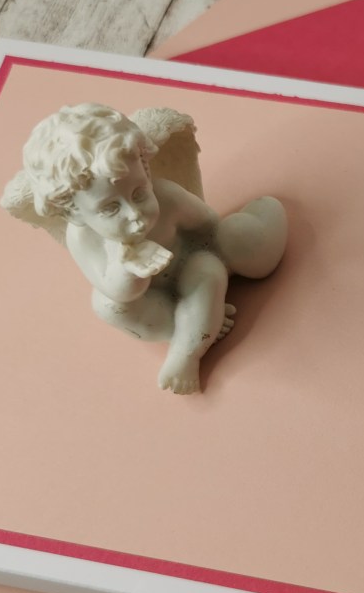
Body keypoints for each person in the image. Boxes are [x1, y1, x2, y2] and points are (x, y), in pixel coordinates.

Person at [21, 103, 287, 394]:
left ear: (146, 171)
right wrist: (129, 268)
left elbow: (209, 226)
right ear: (74, 213)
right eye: (110, 209)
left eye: (139, 194)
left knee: (214, 262)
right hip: (155, 300)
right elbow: (116, 291)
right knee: (107, 307)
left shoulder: (167, 196)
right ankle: (187, 342)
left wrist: (232, 247)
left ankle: (200, 323)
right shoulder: (83, 238)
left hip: (194, 264)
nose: (134, 214)